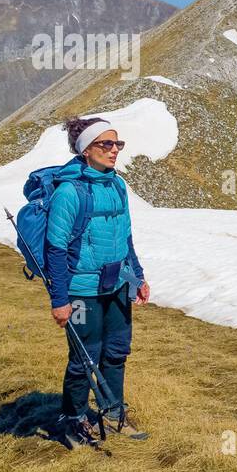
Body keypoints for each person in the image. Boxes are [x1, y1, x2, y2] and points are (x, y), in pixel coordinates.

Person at [46, 116, 151, 446]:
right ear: (85, 150)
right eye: (106, 144)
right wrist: (59, 300)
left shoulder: (118, 185)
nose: (114, 150)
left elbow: (126, 236)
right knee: (83, 358)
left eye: (117, 144)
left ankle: (112, 413)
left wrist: (138, 277)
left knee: (117, 352)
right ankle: (73, 420)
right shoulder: (69, 192)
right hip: (81, 292)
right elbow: (55, 247)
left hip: (117, 285)